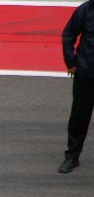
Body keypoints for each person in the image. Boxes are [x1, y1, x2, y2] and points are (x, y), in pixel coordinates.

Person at [60, 0, 94, 173]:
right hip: (86, 74)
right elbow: (68, 34)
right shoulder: (86, 10)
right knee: (79, 118)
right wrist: (71, 62)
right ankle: (72, 156)